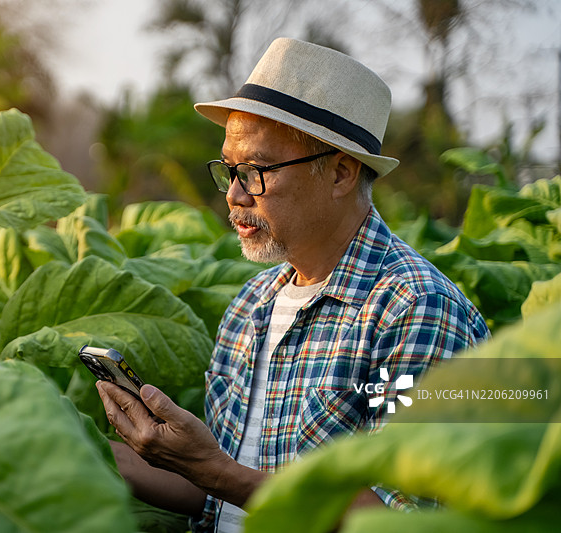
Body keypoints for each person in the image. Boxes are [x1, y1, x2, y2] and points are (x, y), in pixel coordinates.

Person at [96, 38, 490, 532]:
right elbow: (219, 493)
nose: (236, 195)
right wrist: (98, 450)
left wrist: (216, 471)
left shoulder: (416, 310)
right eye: (230, 171)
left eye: (257, 171)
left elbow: (403, 519)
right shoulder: (251, 304)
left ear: (341, 173)